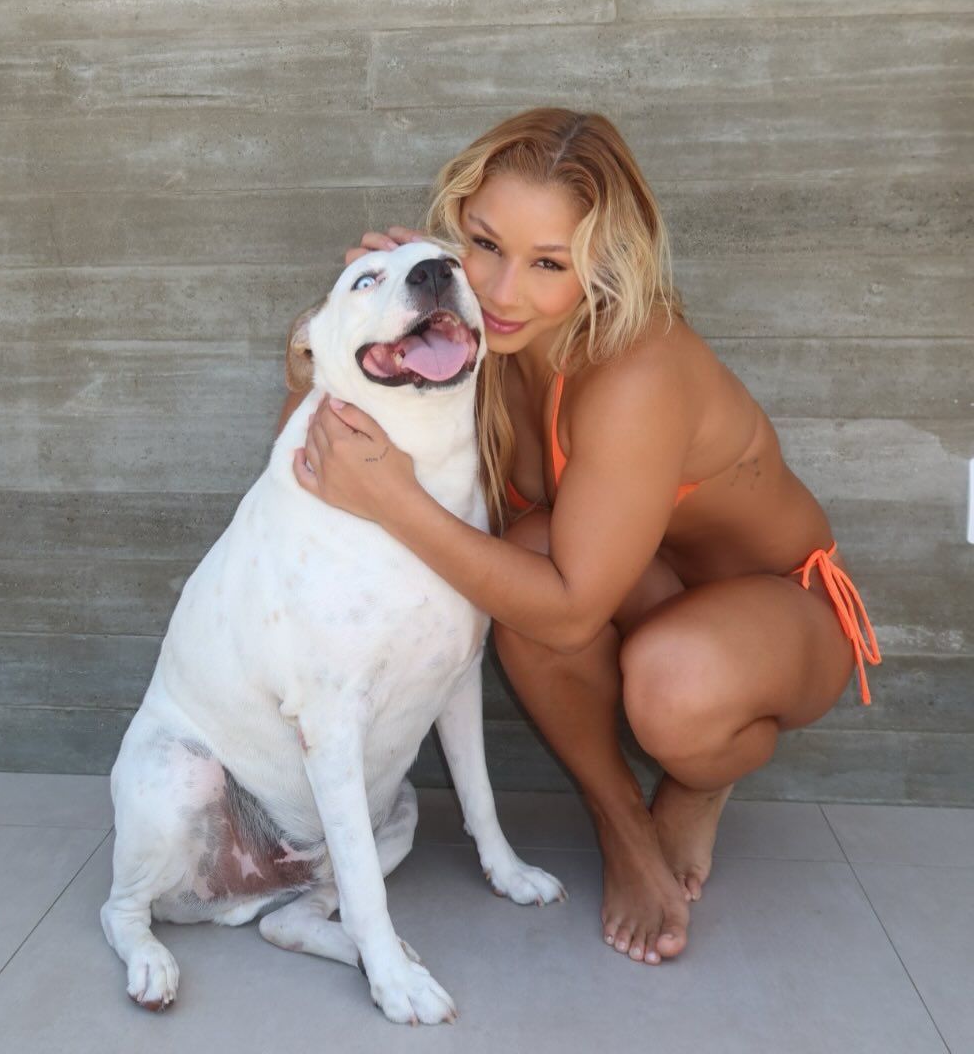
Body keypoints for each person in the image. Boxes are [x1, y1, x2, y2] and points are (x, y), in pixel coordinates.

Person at [274, 107, 880, 968]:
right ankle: (619, 815)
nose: (501, 291)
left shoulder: (636, 370)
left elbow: (566, 613)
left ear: (603, 266)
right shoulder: (459, 332)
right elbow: (314, 463)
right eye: (484, 244)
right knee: (520, 557)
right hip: (635, 586)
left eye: (549, 263)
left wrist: (397, 501)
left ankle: (697, 782)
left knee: (670, 681)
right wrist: (360, 318)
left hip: (779, 615)